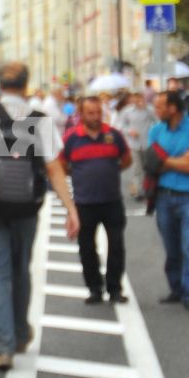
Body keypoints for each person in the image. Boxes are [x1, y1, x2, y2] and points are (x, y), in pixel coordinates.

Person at [0, 61, 81, 371]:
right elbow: (54, 168)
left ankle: (4, 345)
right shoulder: (40, 119)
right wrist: (70, 209)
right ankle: (22, 332)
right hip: (27, 203)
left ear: (0, 84)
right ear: (26, 86)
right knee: (21, 268)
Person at [62, 95, 131, 305]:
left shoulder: (113, 135)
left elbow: (127, 159)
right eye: (90, 113)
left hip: (112, 201)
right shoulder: (71, 138)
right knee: (87, 248)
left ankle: (114, 288)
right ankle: (94, 288)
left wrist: (110, 170)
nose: (95, 117)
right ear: (81, 114)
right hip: (84, 203)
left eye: (98, 112)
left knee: (116, 246)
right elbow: (63, 165)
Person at [147, 90, 189, 310]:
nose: (156, 111)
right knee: (171, 248)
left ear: (173, 108)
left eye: (159, 107)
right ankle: (176, 288)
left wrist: (166, 161)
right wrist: (178, 160)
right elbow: (152, 164)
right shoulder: (155, 130)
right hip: (163, 196)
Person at [116, 90, 156, 203]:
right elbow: (120, 125)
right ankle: (139, 191)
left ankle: (148, 189)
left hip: (148, 143)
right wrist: (129, 131)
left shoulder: (149, 110)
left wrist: (153, 132)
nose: (139, 102)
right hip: (133, 143)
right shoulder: (127, 111)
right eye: (136, 99)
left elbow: (157, 121)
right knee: (137, 168)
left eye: (141, 99)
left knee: (147, 167)